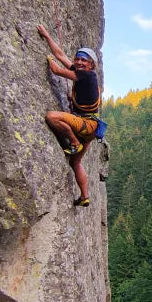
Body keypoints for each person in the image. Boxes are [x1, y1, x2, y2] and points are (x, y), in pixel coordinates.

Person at [37, 24, 101, 207]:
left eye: (84, 61)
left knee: (52, 117)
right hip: (89, 128)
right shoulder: (83, 74)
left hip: (85, 125)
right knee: (76, 162)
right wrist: (47, 35)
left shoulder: (86, 77)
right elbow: (61, 56)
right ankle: (84, 196)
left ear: (91, 65)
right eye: (78, 59)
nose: (79, 62)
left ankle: (74, 142)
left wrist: (48, 59)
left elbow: (57, 68)